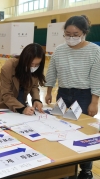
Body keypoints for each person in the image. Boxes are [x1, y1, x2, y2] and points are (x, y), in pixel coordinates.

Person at [45, 15, 100, 179]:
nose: (71, 37)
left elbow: (97, 77)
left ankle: (85, 169)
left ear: (84, 32)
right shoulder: (60, 50)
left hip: (83, 96)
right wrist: (48, 91)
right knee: (60, 128)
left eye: (75, 34)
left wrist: (94, 102)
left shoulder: (95, 51)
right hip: (63, 93)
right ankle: (66, 166)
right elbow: (52, 71)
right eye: (67, 34)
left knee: (82, 132)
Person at [0, 43, 46, 115]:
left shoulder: (36, 69)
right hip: (3, 106)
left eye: (37, 64)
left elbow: (34, 86)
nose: (33, 66)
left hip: (21, 104)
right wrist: (22, 108)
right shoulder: (9, 67)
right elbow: (6, 94)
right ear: (24, 59)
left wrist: (36, 100)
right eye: (31, 63)